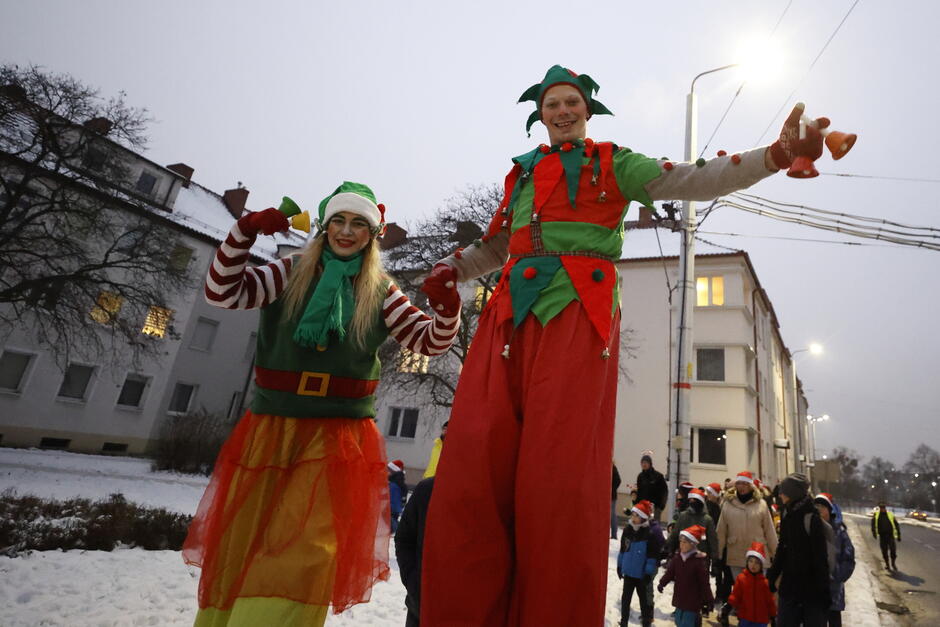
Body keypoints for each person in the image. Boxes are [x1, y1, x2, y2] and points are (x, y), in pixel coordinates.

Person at [419, 64, 831, 626]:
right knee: (478, 456)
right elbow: (497, 247)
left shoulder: (614, 162)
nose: (562, 112)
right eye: (551, 105)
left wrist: (775, 155)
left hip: (577, 316)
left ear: (587, 111)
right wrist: (452, 268)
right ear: (539, 115)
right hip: (509, 318)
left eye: (571, 103)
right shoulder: (520, 175)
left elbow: (694, 177)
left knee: (556, 475)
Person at [182, 182, 461, 627]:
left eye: (359, 224)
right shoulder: (290, 271)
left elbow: (428, 341)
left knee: (309, 549)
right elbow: (223, 292)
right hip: (274, 425)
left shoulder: (380, 290)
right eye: (339, 221)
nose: (347, 232)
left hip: (338, 433)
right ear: (325, 226)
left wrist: (447, 307)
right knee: (245, 538)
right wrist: (244, 232)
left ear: (373, 235)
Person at [766, 473, 831, 627]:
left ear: (793, 493)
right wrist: (772, 576)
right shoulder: (787, 512)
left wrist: (824, 590)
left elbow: (820, 557)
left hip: (811, 590)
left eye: (784, 491)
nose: (780, 494)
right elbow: (782, 547)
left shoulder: (811, 517)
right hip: (789, 586)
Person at [716, 471, 778, 626]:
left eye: (745, 484)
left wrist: (775, 553)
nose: (741, 487)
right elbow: (721, 531)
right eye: (739, 483)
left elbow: (769, 530)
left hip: (758, 555)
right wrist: (717, 555)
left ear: (751, 486)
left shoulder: (761, 504)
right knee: (742, 594)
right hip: (735, 554)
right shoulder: (727, 504)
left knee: (757, 593)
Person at [395, 476, 435, 627]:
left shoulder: (495, 494)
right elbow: (404, 539)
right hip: (421, 610)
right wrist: (414, 583)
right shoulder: (428, 489)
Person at [617, 500, 664, 627]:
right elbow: (623, 549)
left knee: (644, 601)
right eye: (632, 514)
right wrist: (620, 565)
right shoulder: (628, 530)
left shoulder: (649, 533)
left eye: (636, 515)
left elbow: (652, 556)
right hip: (628, 573)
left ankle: (646, 622)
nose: (633, 517)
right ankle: (623, 621)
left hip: (641, 575)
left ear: (643, 517)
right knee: (625, 599)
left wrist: (648, 573)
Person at [658, 525, 714, 627]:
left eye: (685, 542)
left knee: (688, 623)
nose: (681, 545)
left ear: (692, 544)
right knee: (678, 621)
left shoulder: (699, 562)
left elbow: (704, 583)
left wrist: (709, 600)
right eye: (681, 542)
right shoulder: (677, 558)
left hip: (693, 602)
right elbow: (670, 573)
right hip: (680, 599)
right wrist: (662, 583)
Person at [815, 493, 855, 627]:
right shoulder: (810, 529)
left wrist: (837, 576)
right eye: (816, 506)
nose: (819, 509)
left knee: (834, 622)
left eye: (822, 506)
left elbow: (848, 559)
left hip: (834, 591)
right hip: (813, 590)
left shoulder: (839, 532)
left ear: (829, 509)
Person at [727, 542, 776, 627]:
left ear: (761, 566)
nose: (753, 565)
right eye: (751, 561)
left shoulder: (764, 583)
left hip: (761, 620)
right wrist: (728, 606)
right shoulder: (741, 579)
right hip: (745, 618)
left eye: (757, 562)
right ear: (747, 562)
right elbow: (735, 595)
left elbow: (770, 601)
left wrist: (773, 616)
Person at [667, 489, 717, 563]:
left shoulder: (707, 519)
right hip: (683, 557)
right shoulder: (683, 516)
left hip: (701, 558)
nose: (693, 502)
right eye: (691, 500)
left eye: (695, 500)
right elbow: (675, 535)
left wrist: (715, 560)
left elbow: (713, 540)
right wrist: (669, 550)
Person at [637, 450, 669, 521]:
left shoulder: (658, 476)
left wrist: (661, 506)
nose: (644, 464)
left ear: (650, 464)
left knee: (654, 527)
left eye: (646, 463)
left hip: (655, 507)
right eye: (642, 463)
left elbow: (664, 491)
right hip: (643, 506)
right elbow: (639, 491)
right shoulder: (640, 476)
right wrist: (637, 504)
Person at [871, 501, 901, 571]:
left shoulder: (890, 514)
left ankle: (893, 563)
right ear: (879, 508)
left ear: (885, 508)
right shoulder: (876, 515)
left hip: (890, 536)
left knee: (893, 551)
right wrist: (874, 533)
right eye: (881, 507)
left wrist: (899, 535)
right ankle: (887, 564)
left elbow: (896, 524)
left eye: (883, 507)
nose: (882, 509)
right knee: (884, 551)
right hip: (882, 536)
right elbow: (873, 525)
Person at [388, 459, 407, 533]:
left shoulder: (393, 485)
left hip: (391, 511)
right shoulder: (398, 483)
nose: (387, 472)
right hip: (393, 511)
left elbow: (394, 501)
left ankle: (400, 529)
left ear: (394, 471)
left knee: (392, 525)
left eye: (389, 470)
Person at [612, 462, 623, 539]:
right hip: (606, 495)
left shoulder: (612, 467)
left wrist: (611, 489)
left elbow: (618, 480)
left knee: (612, 515)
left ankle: (614, 535)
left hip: (611, 496)